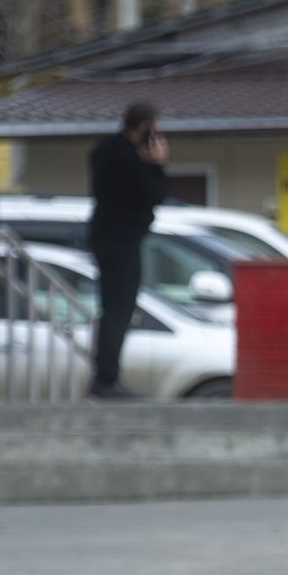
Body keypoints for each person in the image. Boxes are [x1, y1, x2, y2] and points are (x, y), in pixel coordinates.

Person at [87, 103, 168, 399]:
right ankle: (106, 378)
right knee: (119, 310)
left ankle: (106, 375)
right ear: (144, 127)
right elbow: (153, 194)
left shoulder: (104, 151)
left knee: (114, 309)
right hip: (121, 240)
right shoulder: (126, 159)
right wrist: (156, 164)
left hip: (108, 237)